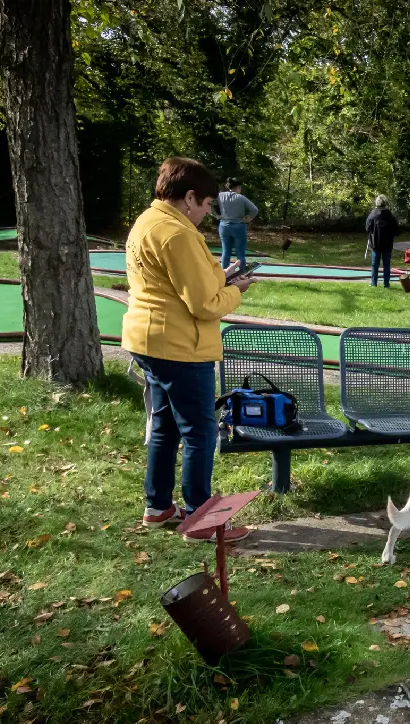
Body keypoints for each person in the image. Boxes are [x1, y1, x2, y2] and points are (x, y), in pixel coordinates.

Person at [122, 157, 255, 541]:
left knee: (165, 426)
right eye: (208, 205)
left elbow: (181, 279)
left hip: (150, 340)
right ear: (189, 198)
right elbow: (204, 305)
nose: (209, 212)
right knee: (200, 431)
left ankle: (158, 505)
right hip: (180, 346)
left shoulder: (150, 221)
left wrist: (220, 275)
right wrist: (235, 290)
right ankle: (201, 517)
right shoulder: (176, 233)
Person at [217, 178, 258, 270]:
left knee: (226, 251)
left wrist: (216, 215)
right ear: (238, 188)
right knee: (240, 252)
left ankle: (224, 275)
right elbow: (254, 209)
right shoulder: (241, 197)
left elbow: (209, 202)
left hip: (224, 226)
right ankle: (242, 273)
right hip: (238, 226)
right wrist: (249, 218)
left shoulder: (220, 195)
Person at [365, 194, 399, 287]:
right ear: (385, 203)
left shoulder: (373, 214)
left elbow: (367, 228)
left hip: (375, 244)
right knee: (386, 265)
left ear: (377, 203)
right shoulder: (390, 215)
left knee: (374, 265)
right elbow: (396, 230)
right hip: (387, 244)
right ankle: (386, 284)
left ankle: (373, 283)